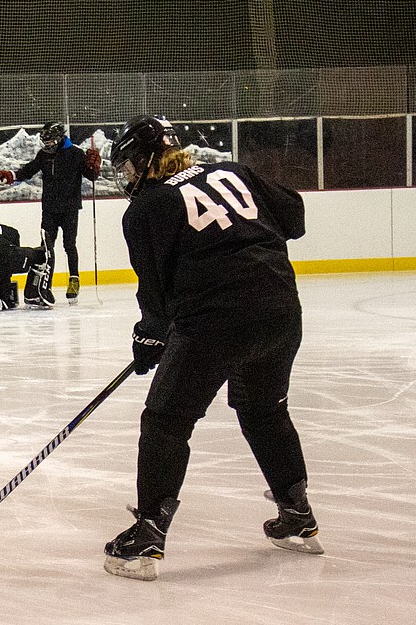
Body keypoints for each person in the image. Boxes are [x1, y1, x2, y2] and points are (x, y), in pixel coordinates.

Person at [103, 114, 322, 581]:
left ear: (144, 161)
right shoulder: (236, 171)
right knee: (264, 410)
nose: (125, 177)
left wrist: (149, 337)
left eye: (126, 166)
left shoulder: (145, 208)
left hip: (215, 324)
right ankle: (297, 515)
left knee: (165, 421)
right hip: (281, 309)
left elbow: (156, 295)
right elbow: (295, 218)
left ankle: (147, 535)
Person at [0, 122, 102, 304]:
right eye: (45, 142)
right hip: (49, 209)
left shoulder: (76, 154)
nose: (47, 145)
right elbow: (28, 170)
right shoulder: (44, 155)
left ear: (59, 139)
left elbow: (91, 176)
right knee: (46, 248)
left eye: (50, 142)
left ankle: (74, 279)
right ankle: (43, 284)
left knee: (69, 245)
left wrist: (94, 167)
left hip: (70, 209)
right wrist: (11, 175)